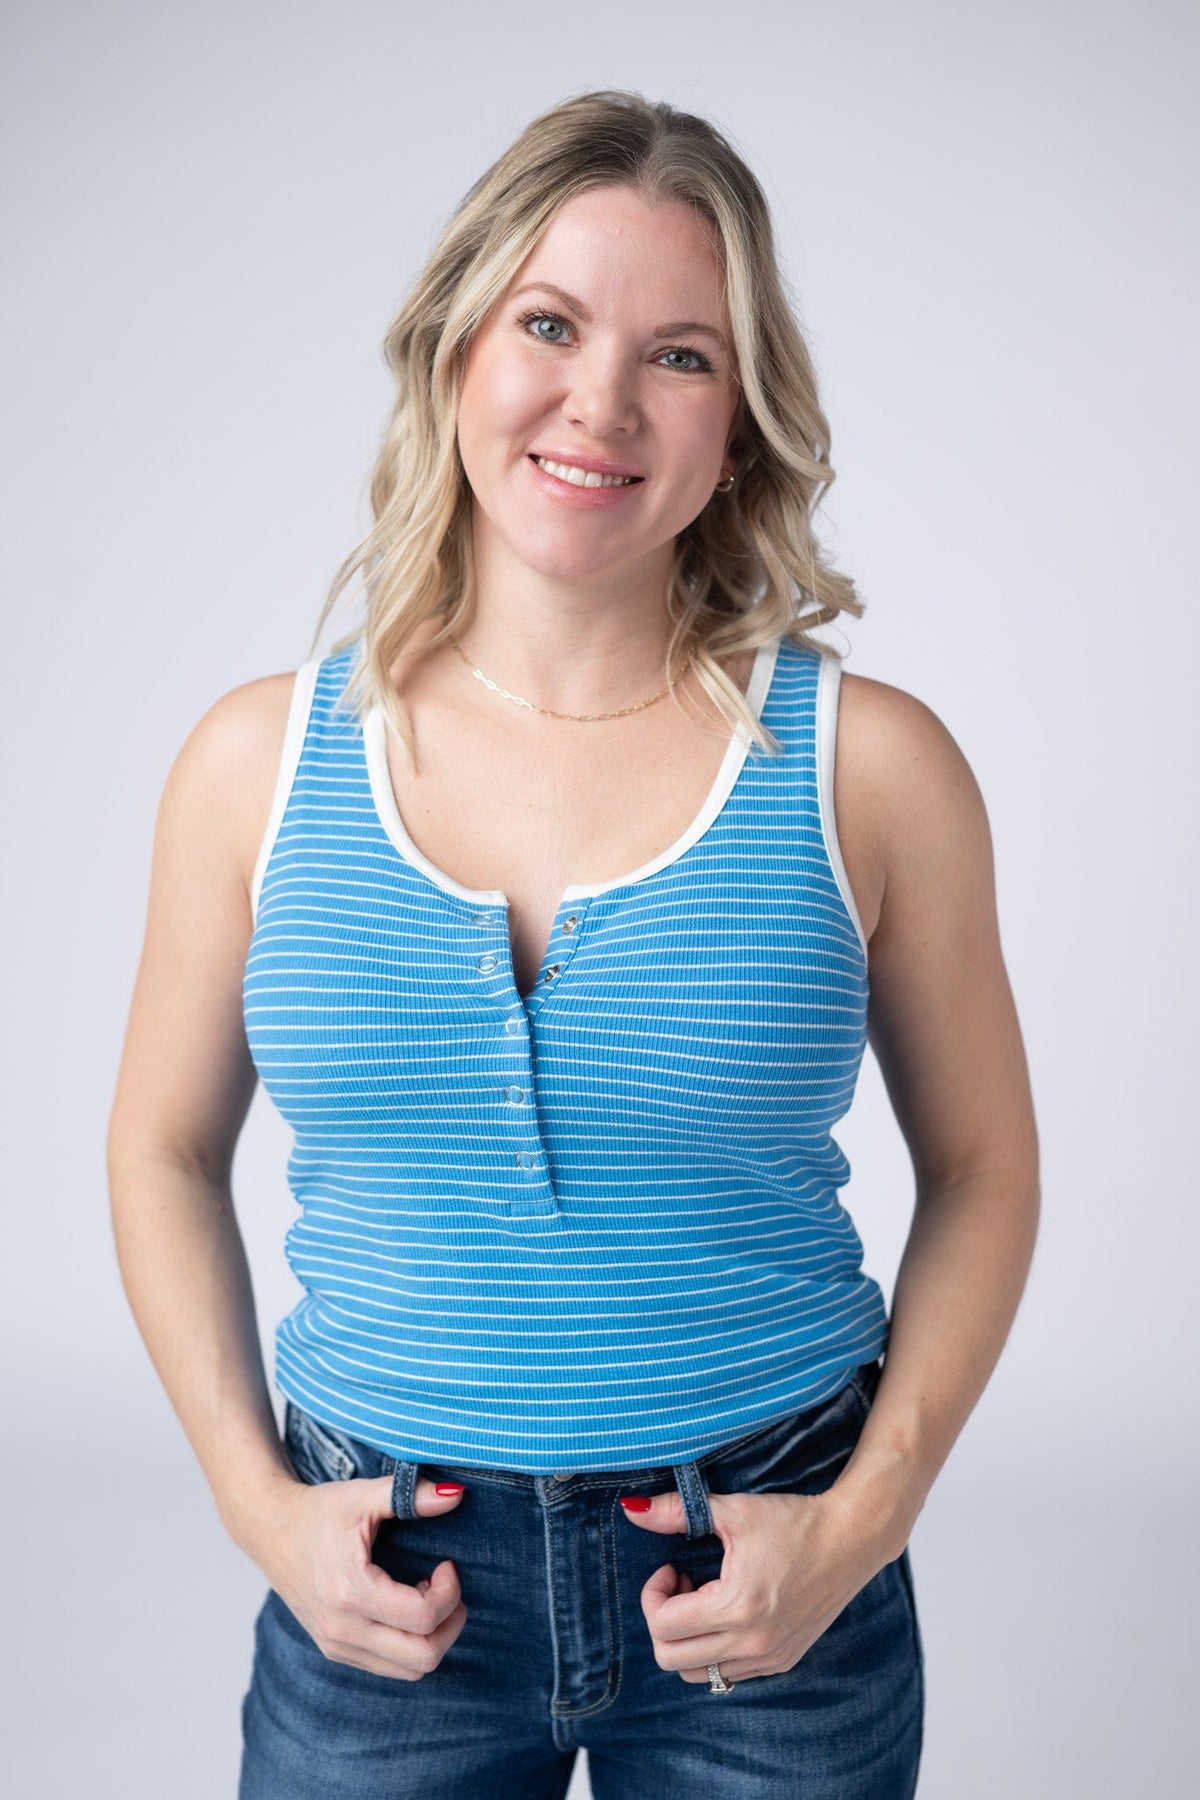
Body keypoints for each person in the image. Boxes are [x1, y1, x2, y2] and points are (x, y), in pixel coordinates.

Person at [107, 88, 1040, 1799]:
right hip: (381, 1582)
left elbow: (985, 1166)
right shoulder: (258, 765)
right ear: (454, 350)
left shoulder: (869, 770)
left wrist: (860, 1524)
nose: (600, 401)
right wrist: (255, 1504)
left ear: (739, 425)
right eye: (549, 324)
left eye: (680, 356)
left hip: (768, 1581)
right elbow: (161, 1149)